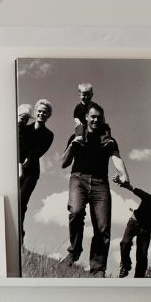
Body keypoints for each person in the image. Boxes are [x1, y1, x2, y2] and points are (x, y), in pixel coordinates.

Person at [60, 104, 128, 276]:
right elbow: (63, 163)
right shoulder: (76, 136)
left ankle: (97, 268)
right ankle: (74, 251)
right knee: (75, 212)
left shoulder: (108, 140)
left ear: (103, 119)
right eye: (93, 116)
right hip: (78, 179)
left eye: (99, 117)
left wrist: (124, 174)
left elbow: (116, 158)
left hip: (101, 184)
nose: (96, 119)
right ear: (87, 118)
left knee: (102, 227)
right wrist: (72, 146)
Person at [16, 99, 54, 249]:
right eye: (39, 110)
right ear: (36, 111)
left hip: (32, 172)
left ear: (48, 115)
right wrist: (21, 160)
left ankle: (20, 240)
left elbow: (40, 151)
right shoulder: (25, 129)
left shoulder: (49, 135)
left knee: (22, 204)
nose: (41, 113)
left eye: (45, 112)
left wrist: (28, 157)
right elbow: (19, 144)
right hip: (17, 167)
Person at [117, 181, 151, 278]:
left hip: (145, 230)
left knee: (142, 255)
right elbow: (132, 188)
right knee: (124, 243)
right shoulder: (148, 198)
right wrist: (123, 183)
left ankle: (139, 278)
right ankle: (126, 266)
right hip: (134, 223)